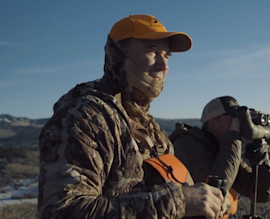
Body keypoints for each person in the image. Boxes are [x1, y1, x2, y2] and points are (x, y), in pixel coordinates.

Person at [38, 14, 225, 219]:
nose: (164, 65)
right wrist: (177, 202)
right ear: (118, 55)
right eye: (152, 51)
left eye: (167, 55)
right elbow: (62, 212)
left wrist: (202, 202)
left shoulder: (152, 130)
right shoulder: (85, 117)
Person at [170, 96, 270, 217]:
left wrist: (260, 154)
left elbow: (261, 193)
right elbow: (215, 187)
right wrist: (234, 135)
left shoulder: (222, 148)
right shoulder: (187, 144)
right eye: (233, 119)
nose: (239, 124)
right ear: (214, 122)